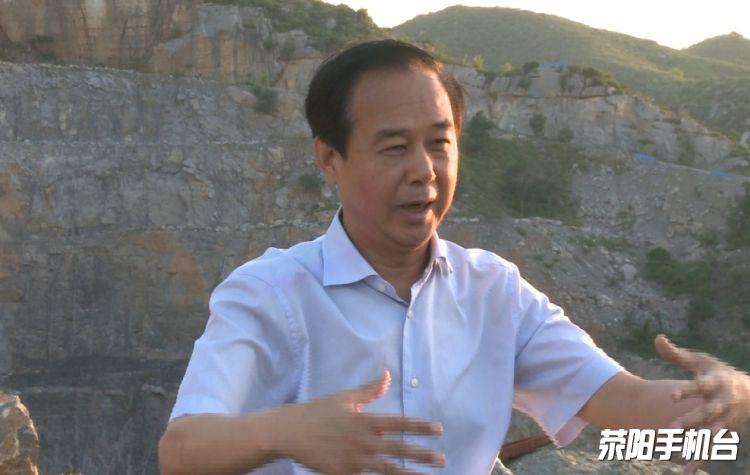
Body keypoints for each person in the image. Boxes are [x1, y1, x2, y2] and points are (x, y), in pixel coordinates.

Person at [158, 40, 750, 475]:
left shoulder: (494, 290)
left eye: (439, 143)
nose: (424, 171)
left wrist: (732, 393)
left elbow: (624, 400)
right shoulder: (271, 293)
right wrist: (284, 431)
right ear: (329, 159)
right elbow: (181, 451)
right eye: (395, 147)